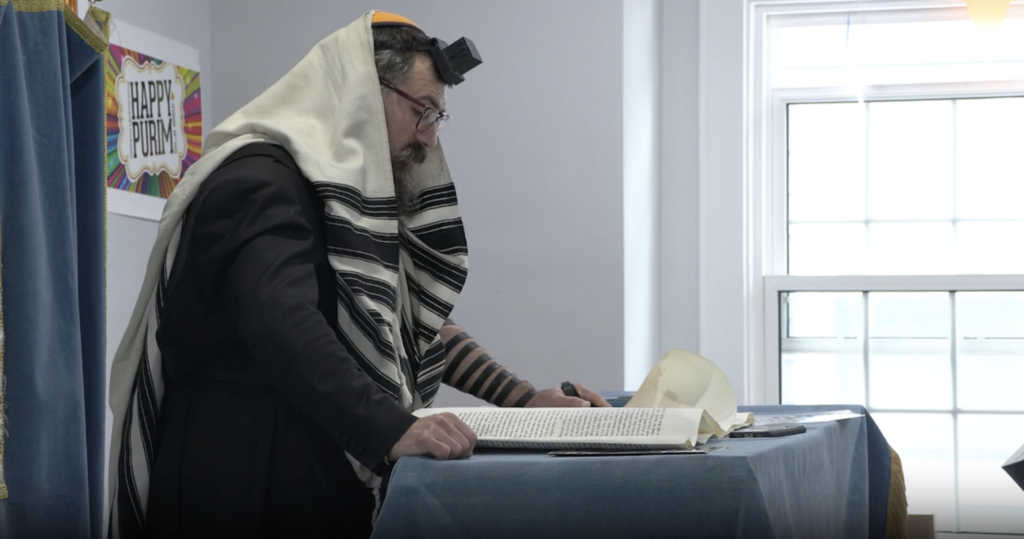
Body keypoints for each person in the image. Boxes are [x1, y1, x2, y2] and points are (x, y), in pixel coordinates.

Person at [106, 10, 609, 539]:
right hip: (240, 473)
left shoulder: (337, 191)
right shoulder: (259, 181)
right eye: (423, 112)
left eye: (438, 118)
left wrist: (525, 399)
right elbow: (283, 324)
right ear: (361, 93)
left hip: (307, 461)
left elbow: (408, 326)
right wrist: (391, 428)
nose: (430, 140)